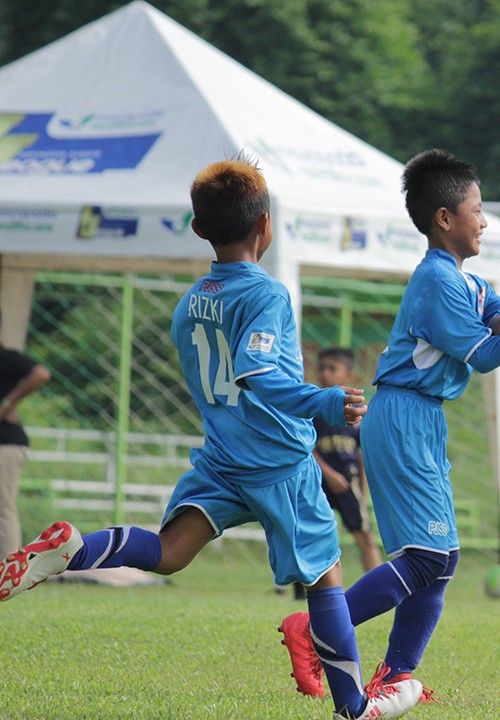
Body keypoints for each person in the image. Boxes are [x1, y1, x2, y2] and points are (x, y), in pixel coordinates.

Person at [0, 157, 421, 720]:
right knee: (326, 574)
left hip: (224, 458)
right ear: (265, 226)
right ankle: (355, 705)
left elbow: (218, 377)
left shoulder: (191, 302)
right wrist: (322, 403)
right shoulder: (266, 295)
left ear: (198, 229)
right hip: (279, 462)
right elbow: (258, 375)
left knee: (170, 553)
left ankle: (77, 548)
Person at [279, 148, 500, 704]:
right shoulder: (437, 281)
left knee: (441, 561)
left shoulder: (464, 280)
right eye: (477, 209)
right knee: (428, 558)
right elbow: (482, 353)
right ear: (445, 219)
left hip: (421, 420)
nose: (483, 219)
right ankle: (314, 630)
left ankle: (396, 675)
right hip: (403, 414)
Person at [313, 347, 381, 573]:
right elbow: (305, 449)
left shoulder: (356, 412)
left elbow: (361, 455)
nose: (326, 373)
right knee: (309, 536)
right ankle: (297, 589)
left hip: (347, 481)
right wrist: (328, 474)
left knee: (365, 537)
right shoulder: (311, 408)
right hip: (317, 482)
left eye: (333, 369)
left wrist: (362, 491)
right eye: (322, 368)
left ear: (349, 375)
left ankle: (377, 587)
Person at [0, 345, 51, 557]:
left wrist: (7, 404)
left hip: (5, 443)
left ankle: (8, 574)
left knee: (2, 508)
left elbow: (41, 373)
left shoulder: (5, 357)